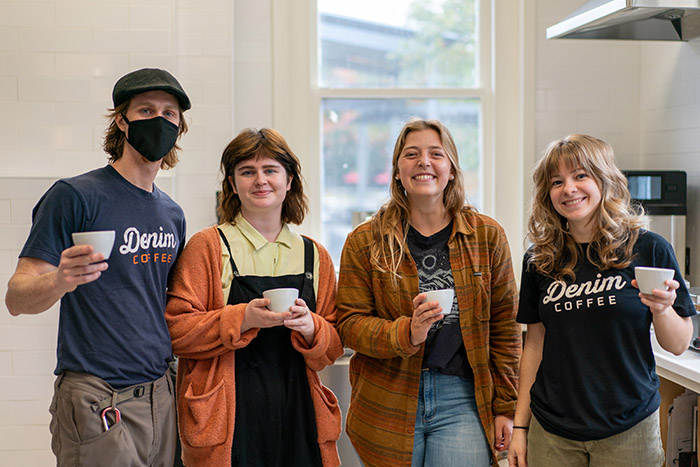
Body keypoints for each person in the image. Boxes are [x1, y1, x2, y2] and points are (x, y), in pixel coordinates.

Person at [4, 68, 191, 466]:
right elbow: (16, 297)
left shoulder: (172, 215)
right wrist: (59, 279)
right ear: (121, 120)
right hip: (98, 397)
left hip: (161, 394)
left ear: (180, 127)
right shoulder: (75, 196)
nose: (159, 120)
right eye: (145, 110)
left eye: (169, 113)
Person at [336, 118, 522, 467]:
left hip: (462, 396)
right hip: (386, 396)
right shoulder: (365, 240)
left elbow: (505, 328)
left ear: (451, 169)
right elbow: (349, 324)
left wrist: (506, 408)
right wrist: (406, 331)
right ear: (396, 171)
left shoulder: (486, 236)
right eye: (411, 154)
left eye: (436, 154)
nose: (424, 162)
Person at [507, 134, 696, 467]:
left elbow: (679, 344)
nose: (569, 188)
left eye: (581, 175)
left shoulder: (649, 248)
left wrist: (663, 309)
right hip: (553, 433)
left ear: (604, 180)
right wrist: (520, 426)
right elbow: (534, 346)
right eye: (557, 181)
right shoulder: (540, 259)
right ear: (546, 193)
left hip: (630, 429)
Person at [164, 127, 343, 467]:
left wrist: (311, 328)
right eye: (247, 172)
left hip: (300, 416)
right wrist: (243, 319)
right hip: (230, 421)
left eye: (270, 170)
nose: (260, 181)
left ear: (289, 180)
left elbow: (332, 346)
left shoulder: (314, 255)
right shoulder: (209, 246)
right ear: (232, 184)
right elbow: (176, 331)